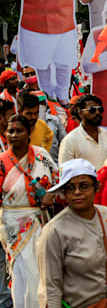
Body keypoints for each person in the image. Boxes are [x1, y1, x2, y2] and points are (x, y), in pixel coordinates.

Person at [37, 158, 107, 308]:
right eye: (70, 188)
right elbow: (50, 287)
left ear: (96, 187)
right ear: (64, 193)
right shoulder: (54, 230)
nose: (77, 192)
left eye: (84, 186)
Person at [0, 115, 58, 308]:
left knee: (41, 271)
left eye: (19, 131)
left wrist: (51, 195)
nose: (14, 135)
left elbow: (59, 179)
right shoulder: (1, 162)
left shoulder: (42, 155)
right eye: (10, 131)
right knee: (21, 273)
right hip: (13, 227)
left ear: (29, 133)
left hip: (41, 222)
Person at [58, 94, 107, 170]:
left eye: (100, 109)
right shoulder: (70, 140)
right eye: (92, 110)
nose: (97, 113)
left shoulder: (106, 134)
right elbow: (64, 172)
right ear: (80, 113)